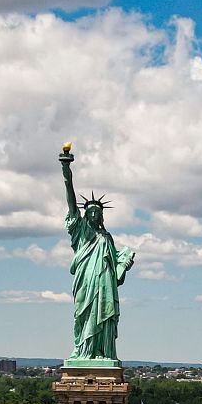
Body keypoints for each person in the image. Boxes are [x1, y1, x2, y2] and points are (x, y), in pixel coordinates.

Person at [60, 145, 134, 361]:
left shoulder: (107, 237)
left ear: (101, 215)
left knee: (103, 314)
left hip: (105, 283)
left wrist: (124, 265)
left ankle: (101, 351)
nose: (93, 214)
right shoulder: (80, 231)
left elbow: (116, 267)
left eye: (97, 212)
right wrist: (66, 170)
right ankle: (83, 350)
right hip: (86, 279)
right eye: (90, 211)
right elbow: (71, 200)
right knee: (83, 314)